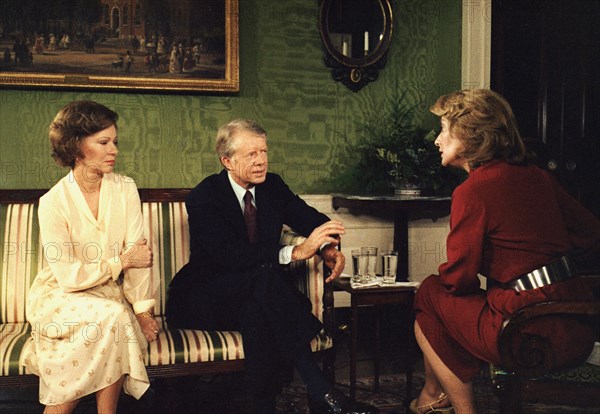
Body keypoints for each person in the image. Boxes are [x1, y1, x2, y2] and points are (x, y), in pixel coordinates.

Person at [166, 119, 377, 414]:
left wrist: (327, 248)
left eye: (264, 151)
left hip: (256, 297)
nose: (261, 160)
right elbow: (229, 255)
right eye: (251, 154)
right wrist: (296, 251)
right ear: (227, 161)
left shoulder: (272, 186)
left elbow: (311, 218)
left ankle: (280, 402)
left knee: (257, 309)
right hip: (205, 297)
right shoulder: (205, 196)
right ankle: (323, 393)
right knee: (264, 282)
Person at [410, 89, 600, 414]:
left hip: (526, 335)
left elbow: (459, 280)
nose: (437, 141)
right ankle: (432, 398)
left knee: (430, 293)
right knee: (442, 306)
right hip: (578, 327)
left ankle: (448, 404)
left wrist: (504, 275)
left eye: (443, 130)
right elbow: (590, 233)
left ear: (470, 137)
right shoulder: (539, 177)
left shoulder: (472, 191)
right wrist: (544, 262)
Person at [22, 100, 159, 414]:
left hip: (107, 294)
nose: (114, 150)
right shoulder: (52, 202)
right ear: (75, 146)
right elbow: (69, 277)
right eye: (103, 142)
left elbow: (139, 255)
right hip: (59, 296)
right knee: (113, 318)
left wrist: (142, 309)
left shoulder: (125, 189)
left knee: (114, 317)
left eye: (115, 142)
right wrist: (120, 261)